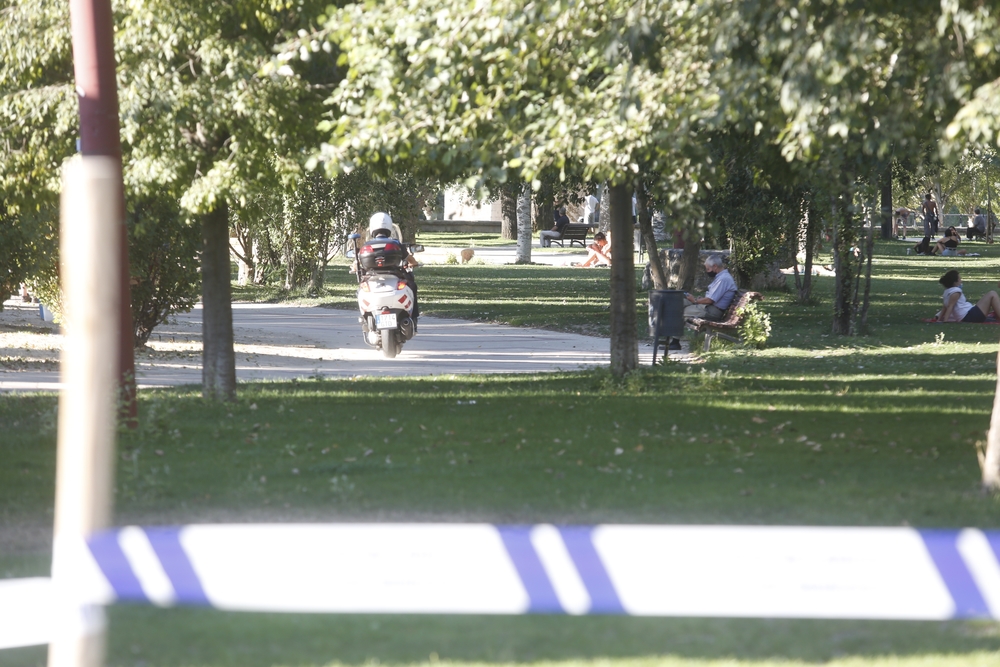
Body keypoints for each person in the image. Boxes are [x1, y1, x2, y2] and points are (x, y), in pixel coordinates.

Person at [668, 255, 738, 350]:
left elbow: (710, 300)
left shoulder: (723, 279)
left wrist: (695, 301)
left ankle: (674, 342)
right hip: (708, 307)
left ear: (715, 267)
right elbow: (711, 297)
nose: (707, 271)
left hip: (712, 311)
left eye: (708, 269)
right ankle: (670, 338)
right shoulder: (721, 277)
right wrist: (699, 299)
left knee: (679, 311)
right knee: (679, 303)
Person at [360, 212, 420, 317]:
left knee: (360, 290)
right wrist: (413, 263)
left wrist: (355, 267)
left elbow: (356, 263)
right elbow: (410, 260)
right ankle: (414, 316)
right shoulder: (396, 244)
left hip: (371, 278)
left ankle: (366, 318)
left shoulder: (366, 246)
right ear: (389, 227)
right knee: (413, 286)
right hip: (395, 277)